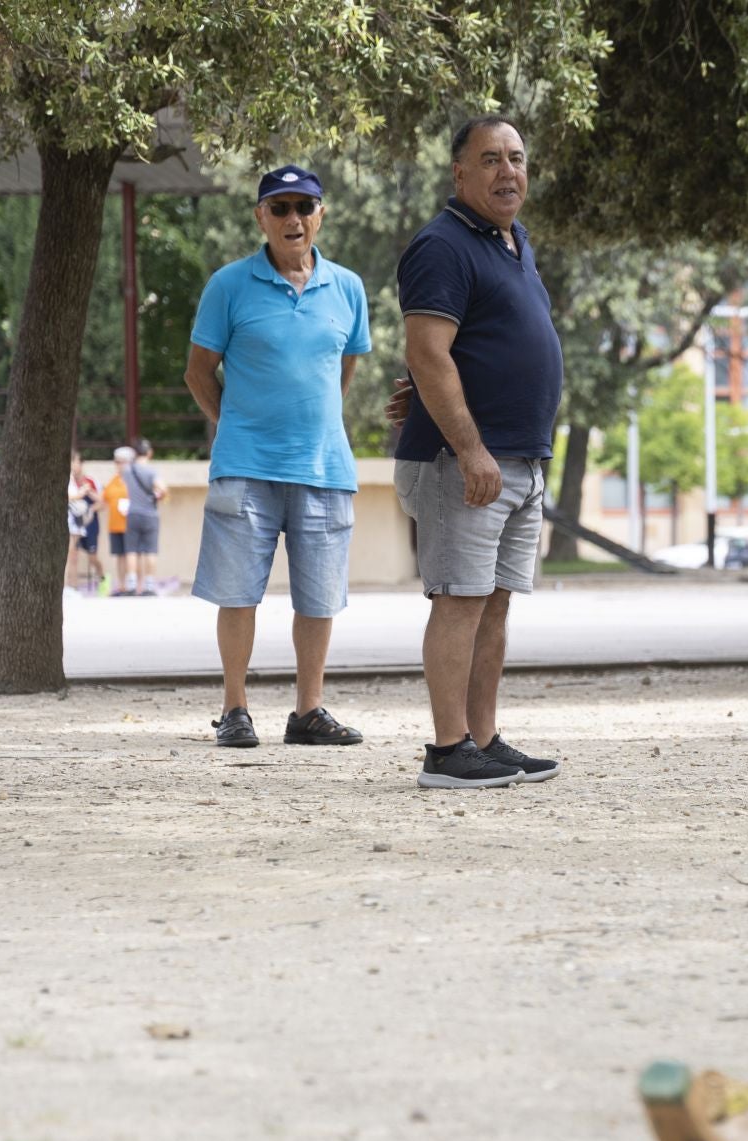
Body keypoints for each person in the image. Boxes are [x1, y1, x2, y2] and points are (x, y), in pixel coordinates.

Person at [393, 115, 562, 789]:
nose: (507, 171)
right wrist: (470, 447)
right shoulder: (442, 245)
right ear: (459, 172)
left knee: (494, 603)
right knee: (460, 600)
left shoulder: (513, 240)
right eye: (489, 159)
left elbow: (478, 344)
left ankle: (483, 740)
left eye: (517, 158)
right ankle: (445, 749)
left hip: (520, 459)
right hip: (462, 463)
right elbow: (428, 353)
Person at [185, 165, 372, 750]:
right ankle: (234, 709)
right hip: (245, 467)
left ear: (321, 214)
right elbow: (197, 372)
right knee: (237, 592)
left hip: (324, 468)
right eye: (280, 207)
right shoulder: (228, 285)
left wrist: (310, 427)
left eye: (304, 207)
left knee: (319, 598)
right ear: (260, 217)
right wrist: (238, 422)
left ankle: (307, 712)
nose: (293, 218)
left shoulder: (348, 287)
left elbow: (346, 366)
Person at [122, 438, 169, 595]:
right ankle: (149, 586)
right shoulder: (151, 471)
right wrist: (158, 496)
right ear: (149, 452)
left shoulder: (128, 470)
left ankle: (131, 585)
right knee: (150, 550)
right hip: (150, 514)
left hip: (133, 512)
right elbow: (163, 489)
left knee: (131, 550)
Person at [66, 451, 106, 596]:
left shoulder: (91, 481)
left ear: (81, 463)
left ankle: (103, 580)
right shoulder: (68, 481)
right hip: (73, 524)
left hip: (89, 524)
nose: (72, 465)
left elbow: (102, 503)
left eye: (74, 461)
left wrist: (88, 505)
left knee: (92, 557)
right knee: (72, 554)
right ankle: (72, 586)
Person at [100, 446, 135, 594]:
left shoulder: (133, 479)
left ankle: (131, 585)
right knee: (119, 556)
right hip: (115, 525)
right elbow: (104, 499)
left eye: (120, 462)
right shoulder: (113, 480)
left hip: (130, 524)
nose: (118, 465)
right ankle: (121, 585)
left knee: (130, 555)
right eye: (117, 462)